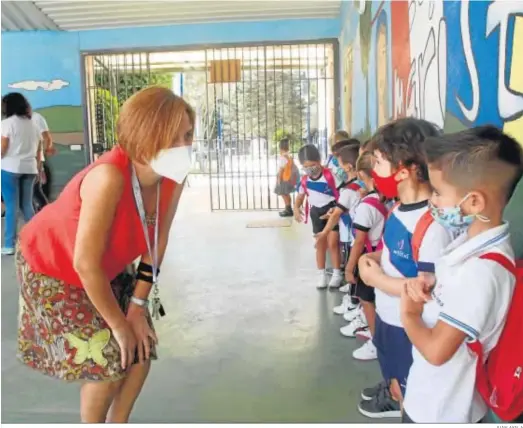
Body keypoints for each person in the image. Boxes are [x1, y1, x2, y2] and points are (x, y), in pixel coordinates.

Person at [15, 87, 194, 423]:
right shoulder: (109, 177)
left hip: (105, 265)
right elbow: (84, 263)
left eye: (187, 135)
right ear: (147, 134)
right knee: (109, 360)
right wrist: (118, 323)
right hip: (53, 265)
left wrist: (137, 309)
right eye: (174, 137)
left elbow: (159, 239)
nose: (185, 147)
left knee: (141, 347)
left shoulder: (173, 176)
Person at [401, 126, 523, 423]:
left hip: (443, 411)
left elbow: (437, 351)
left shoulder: (481, 273)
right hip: (434, 397)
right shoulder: (471, 243)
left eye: (439, 193)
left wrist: (408, 314)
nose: (433, 201)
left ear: (474, 203)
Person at [356, 118, 452, 418]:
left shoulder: (432, 224)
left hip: (408, 327)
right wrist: (372, 258)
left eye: (380, 161)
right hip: (387, 318)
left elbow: (423, 289)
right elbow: (392, 252)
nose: (374, 170)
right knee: (396, 382)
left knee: (413, 396)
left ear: (406, 169)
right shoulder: (397, 208)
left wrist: (374, 276)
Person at [341, 151, 387, 362]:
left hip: (367, 258)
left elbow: (359, 241)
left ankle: (376, 343)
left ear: (361, 174)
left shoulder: (367, 206)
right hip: (379, 254)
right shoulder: (381, 199)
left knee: (367, 300)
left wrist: (350, 268)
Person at [316, 144, 361, 309]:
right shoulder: (357, 185)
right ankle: (352, 292)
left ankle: (353, 302)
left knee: (352, 265)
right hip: (351, 230)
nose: (337, 168)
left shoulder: (349, 190)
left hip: (351, 233)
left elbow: (337, 214)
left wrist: (324, 232)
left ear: (349, 166)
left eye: (339, 164)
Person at [294, 144, 344, 289]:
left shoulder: (330, 176)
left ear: (319, 160)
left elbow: (342, 194)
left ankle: (336, 274)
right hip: (316, 213)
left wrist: (336, 209)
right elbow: (300, 196)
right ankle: (321, 274)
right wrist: (296, 208)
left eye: (313, 165)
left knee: (333, 243)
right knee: (320, 244)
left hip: (332, 211)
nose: (310, 169)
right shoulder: (305, 180)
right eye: (306, 166)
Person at [1, 92, 41, 255]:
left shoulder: (7, 123)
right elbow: (39, 148)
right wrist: (39, 168)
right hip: (30, 168)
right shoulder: (33, 124)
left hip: (10, 168)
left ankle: (9, 245)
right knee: (27, 205)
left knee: (12, 206)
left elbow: (3, 148)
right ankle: (38, 241)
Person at [274, 138, 299, 217]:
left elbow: (281, 169)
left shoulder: (282, 157)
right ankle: (288, 209)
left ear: (280, 147)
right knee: (286, 194)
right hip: (289, 178)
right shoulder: (289, 156)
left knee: (283, 194)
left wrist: (278, 179)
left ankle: (288, 210)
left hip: (284, 178)